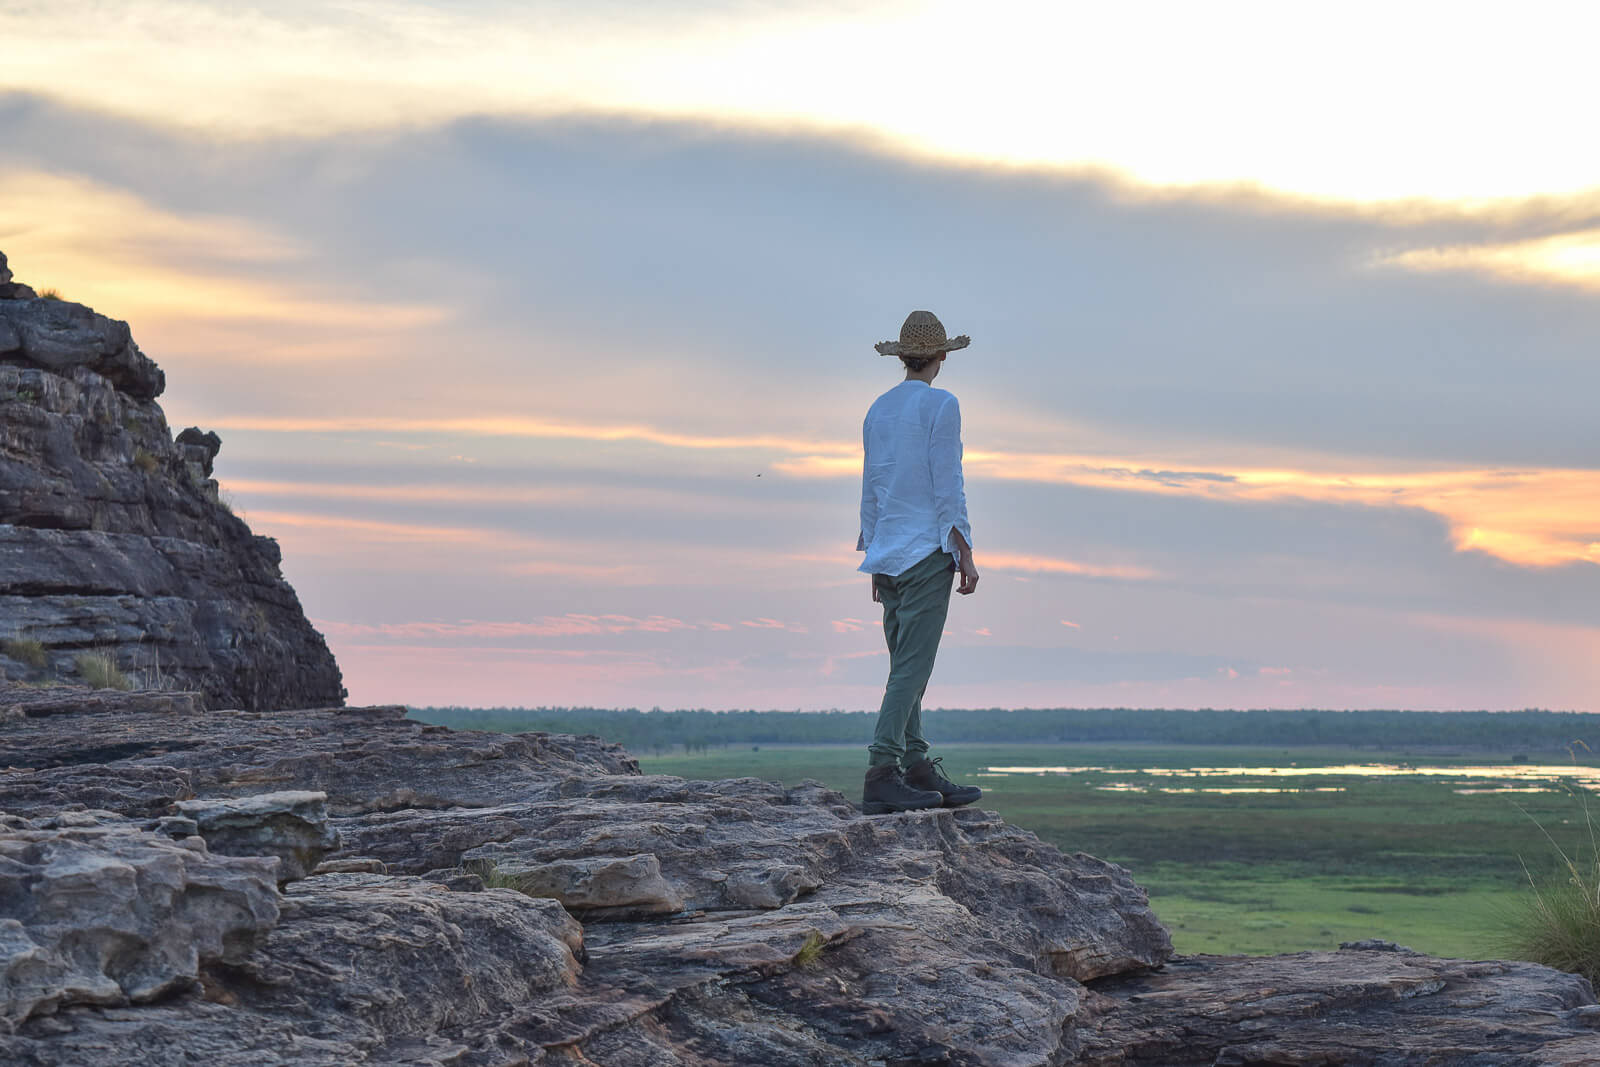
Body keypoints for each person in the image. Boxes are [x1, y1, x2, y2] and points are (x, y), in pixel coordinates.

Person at [857, 310, 985, 815]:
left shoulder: (877, 409)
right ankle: (882, 768)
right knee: (912, 668)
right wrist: (965, 549)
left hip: (888, 553)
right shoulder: (942, 405)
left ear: (902, 358)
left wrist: (873, 549)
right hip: (927, 551)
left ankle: (915, 763)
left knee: (903, 667)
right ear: (943, 357)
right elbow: (947, 480)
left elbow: (872, 482)